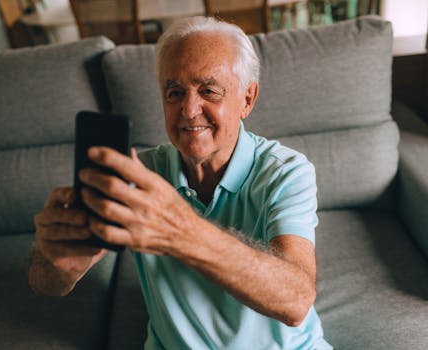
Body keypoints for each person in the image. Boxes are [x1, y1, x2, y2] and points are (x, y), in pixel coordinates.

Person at [29, 16, 332, 350]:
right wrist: (56, 262)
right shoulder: (139, 175)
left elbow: (295, 301)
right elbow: (45, 284)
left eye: (209, 91)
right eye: (174, 93)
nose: (189, 110)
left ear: (247, 99)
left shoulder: (285, 171)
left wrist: (180, 231)